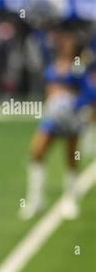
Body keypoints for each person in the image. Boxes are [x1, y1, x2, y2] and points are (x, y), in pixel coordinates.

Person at [20, 29, 85, 220]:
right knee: (37, 152)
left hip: (71, 117)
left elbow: (87, 91)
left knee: (71, 158)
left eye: (69, 43)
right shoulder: (53, 62)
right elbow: (39, 38)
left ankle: (71, 199)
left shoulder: (79, 66)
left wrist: (76, 105)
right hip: (52, 117)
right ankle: (36, 199)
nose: (65, 45)